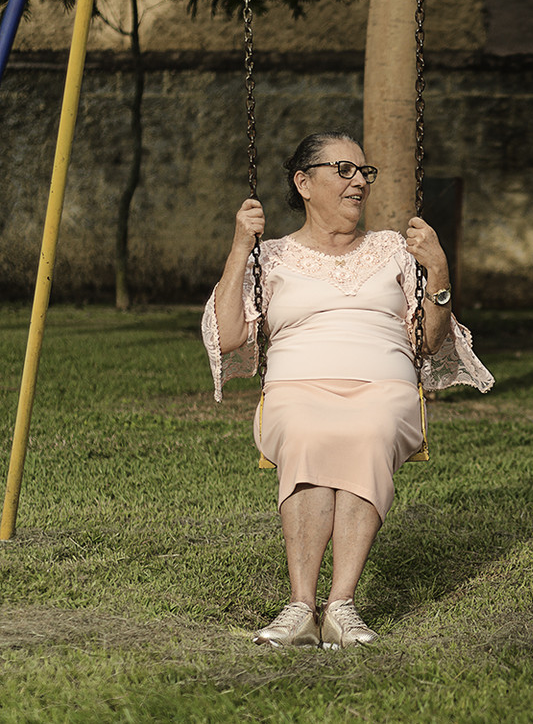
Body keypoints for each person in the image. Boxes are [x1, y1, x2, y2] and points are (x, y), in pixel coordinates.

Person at [201, 131, 493, 649]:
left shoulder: (392, 250)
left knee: (369, 428)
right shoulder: (270, 256)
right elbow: (226, 336)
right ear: (304, 182)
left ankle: (340, 606)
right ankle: (300, 607)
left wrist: (439, 268)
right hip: (296, 386)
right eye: (344, 170)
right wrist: (239, 246)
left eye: (363, 172)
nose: (358, 181)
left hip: (383, 385)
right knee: (307, 430)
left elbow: (427, 339)